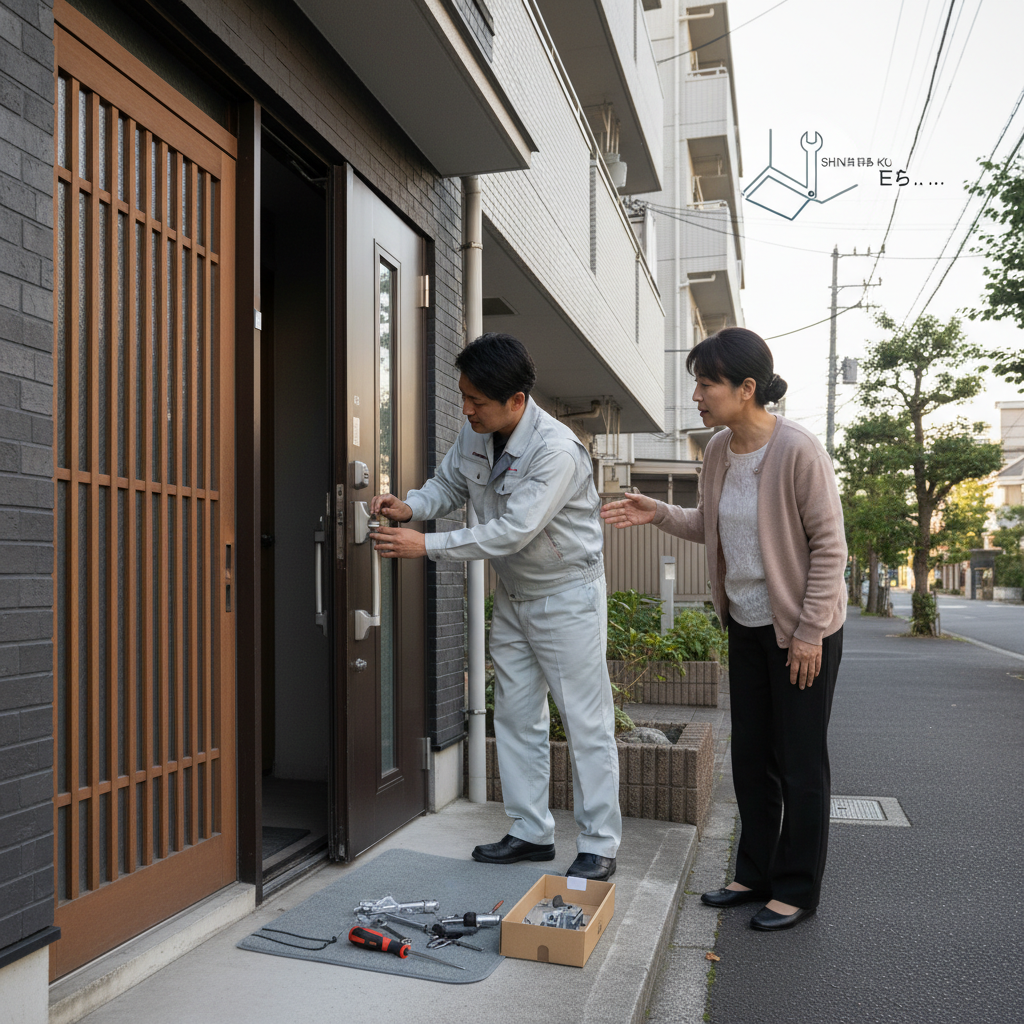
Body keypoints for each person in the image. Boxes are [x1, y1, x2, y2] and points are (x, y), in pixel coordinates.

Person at [601, 327, 846, 930]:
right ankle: (754, 872)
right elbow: (712, 522)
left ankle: (796, 888)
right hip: (745, 625)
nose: (697, 394)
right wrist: (658, 512)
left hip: (801, 630)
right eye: (697, 382)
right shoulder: (716, 450)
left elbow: (830, 547)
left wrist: (812, 632)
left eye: (706, 383)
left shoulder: (796, 450)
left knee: (799, 761)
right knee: (751, 757)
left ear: (746, 388)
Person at [370, 333, 621, 881]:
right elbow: (449, 485)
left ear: (516, 400)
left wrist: (425, 545)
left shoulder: (556, 450)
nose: (466, 409)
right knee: (514, 715)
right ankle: (531, 831)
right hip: (513, 593)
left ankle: (600, 842)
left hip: (567, 595)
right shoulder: (475, 432)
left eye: (476, 400)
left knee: (585, 721)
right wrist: (410, 506)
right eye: (463, 396)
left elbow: (513, 531)